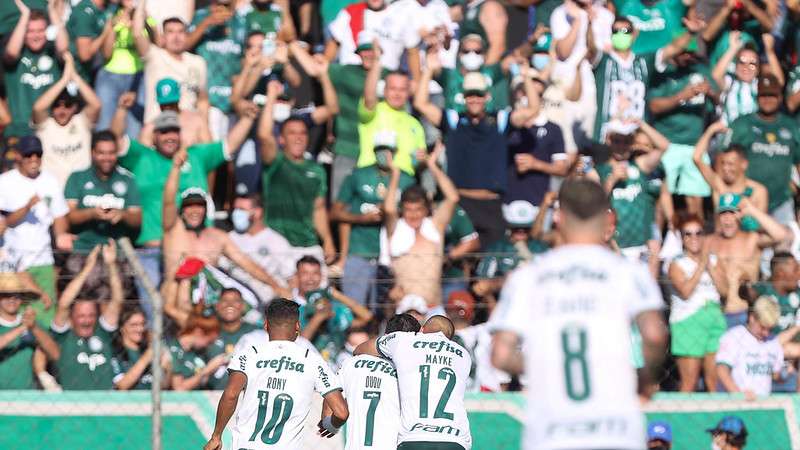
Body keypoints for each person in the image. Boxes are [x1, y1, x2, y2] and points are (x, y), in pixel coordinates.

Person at [491, 178, 668, 450]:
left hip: (551, 435)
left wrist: (547, 366)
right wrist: (645, 381)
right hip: (617, 432)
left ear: (558, 217)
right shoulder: (628, 273)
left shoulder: (528, 277)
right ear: (606, 218)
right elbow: (655, 335)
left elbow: (501, 354)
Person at [160, 148, 290, 321]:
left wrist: (275, 285)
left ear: (206, 210)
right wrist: (176, 168)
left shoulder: (217, 236)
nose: (194, 211)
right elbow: (168, 201)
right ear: (182, 211)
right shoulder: (173, 230)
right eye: (189, 206)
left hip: (207, 307)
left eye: (199, 206)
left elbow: (246, 264)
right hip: (175, 303)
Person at [203, 299, 350, 450]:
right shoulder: (312, 360)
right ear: (297, 327)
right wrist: (331, 426)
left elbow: (231, 395)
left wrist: (216, 436)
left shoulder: (248, 354)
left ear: (266, 325)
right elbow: (341, 413)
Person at [355, 315, 473, 449]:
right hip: (455, 440)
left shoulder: (404, 340)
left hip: (413, 438)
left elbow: (360, 349)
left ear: (422, 330)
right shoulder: (463, 355)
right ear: (449, 339)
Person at [332, 131, 415, 308]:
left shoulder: (406, 180)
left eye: (388, 150)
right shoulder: (358, 175)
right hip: (358, 252)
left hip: (392, 257)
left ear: (396, 151)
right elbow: (335, 212)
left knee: (386, 310)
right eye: (380, 149)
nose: (384, 154)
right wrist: (361, 218)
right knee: (354, 308)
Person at [257, 81, 336, 264]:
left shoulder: (316, 170)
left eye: (302, 133)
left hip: (307, 244)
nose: (298, 138)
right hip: (276, 243)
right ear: (282, 139)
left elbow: (318, 209)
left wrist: (328, 240)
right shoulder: (275, 162)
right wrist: (271, 96)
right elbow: (263, 135)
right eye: (292, 133)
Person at [0, 135, 71, 325]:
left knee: (46, 316)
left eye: (38, 155)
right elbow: (6, 222)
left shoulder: (50, 181)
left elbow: (59, 217)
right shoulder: (5, 182)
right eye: (28, 155)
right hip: (14, 263)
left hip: (43, 259)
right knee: (18, 318)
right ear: (18, 156)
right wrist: (26, 207)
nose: (34, 160)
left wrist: (62, 236)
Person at [384, 143, 460, 311]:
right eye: (408, 210)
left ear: (426, 210)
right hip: (404, 308)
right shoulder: (396, 229)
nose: (413, 215)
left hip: (433, 306)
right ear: (402, 210)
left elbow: (452, 198)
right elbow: (389, 209)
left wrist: (432, 166)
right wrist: (395, 174)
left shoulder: (434, 227)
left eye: (418, 209)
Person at [338, 313, 421, 450]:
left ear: (386, 335)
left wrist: (331, 426)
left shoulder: (351, 363)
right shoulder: (410, 372)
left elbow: (331, 400)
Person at [48, 243, 124, 390]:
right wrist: (88, 268)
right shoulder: (63, 336)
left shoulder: (103, 332)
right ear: (72, 318)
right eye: (81, 316)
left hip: (105, 405)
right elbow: (64, 304)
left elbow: (117, 301)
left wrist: (111, 265)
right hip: (72, 405)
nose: (86, 320)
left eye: (91, 315)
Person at [708, 193, 790, 325]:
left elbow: (781, 235)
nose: (727, 219)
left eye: (732, 213)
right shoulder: (710, 242)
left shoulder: (751, 240)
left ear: (740, 215)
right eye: (723, 213)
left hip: (745, 314)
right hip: (716, 314)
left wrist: (752, 210)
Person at [728, 74, 800, 224]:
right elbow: (725, 160)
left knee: (784, 244)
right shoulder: (742, 124)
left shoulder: (791, 126)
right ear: (757, 97)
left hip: (782, 201)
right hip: (748, 200)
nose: (768, 99)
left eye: (772, 95)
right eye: (764, 95)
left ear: (780, 97)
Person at [668, 214, 727, 392]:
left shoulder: (714, 260)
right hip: (688, 321)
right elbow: (685, 292)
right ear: (682, 237)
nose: (694, 238)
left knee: (714, 382)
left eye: (698, 233)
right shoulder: (676, 264)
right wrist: (702, 265)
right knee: (690, 382)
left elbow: (724, 291)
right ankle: (680, 419)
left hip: (714, 317)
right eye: (688, 234)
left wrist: (709, 265)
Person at [64, 130, 142, 254]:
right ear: (92, 153)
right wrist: (91, 213)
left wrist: (122, 215)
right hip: (83, 250)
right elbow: (68, 217)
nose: (107, 158)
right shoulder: (77, 178)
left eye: (111, 153)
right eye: (101, 153)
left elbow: (137, 219)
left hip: (118, 251)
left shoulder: (128, 180)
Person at [132, 1, 209, 124]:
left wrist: (203, 126)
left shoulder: (198, 62)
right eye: (170, 32)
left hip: (188, 129)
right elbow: (137, 33)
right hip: (158, 126)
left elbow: (202, 100)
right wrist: (141, 3)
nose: (176, 37)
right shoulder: (154, 56)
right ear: (162, 37)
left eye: (180, 32)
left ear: (187, 35)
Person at [32, 52, 101, 188]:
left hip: (80, 190)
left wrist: (73, 75)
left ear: (75, 107)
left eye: (67, 105)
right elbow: (38, 108)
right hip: (52, 189)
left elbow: (96, 105)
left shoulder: (81, 122)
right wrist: (64, 79)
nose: (62, 111)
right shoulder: (45, 125)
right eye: (57, 106)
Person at [356, 43, 425, 177]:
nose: (397, 94)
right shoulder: (374, 111)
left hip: (402, 181)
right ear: (384, 90)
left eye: (402, 89)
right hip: (372, 176)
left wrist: (422, 159)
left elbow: (419, 161)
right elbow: (369, 96)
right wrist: (376, 61)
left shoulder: (415, 124)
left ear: (408, 92)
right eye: (393, 88)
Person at [2, 0, 68, 138]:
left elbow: (64, 48)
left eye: (40, 30)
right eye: (30, 31)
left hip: (49, 129)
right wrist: (25, 16)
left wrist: (51, 9)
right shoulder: (16, 54)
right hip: (19, 129)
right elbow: (11, 53)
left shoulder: (52, 51)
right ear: (23, 33)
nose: (36, 35)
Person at [295, 256, 374, 361]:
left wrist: (335, 294)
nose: (310, 278)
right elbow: (297, 345)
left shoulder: (331, 304)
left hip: (334, 363)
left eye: (315, 273)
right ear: (296, 276)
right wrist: (318, 318)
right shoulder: (290, 306)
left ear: (321, 276)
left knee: (360, 337)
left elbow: (366, 317)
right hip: (305, 363)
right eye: (305, 273)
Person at [222, 193, 296, 303]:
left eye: (241, 209)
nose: (236, 213)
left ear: (257, 212)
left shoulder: (277, 241)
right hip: (236, 300)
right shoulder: (228, 238)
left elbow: (292, 278)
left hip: (266, 302)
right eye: (235, 209)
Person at [693, 121, 768, 217]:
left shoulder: (758, 191)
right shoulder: (719, 186)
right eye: (723, 163)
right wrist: (711, 130)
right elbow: (696, 157)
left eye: (730, 164)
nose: (725, 168)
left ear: (744, 164)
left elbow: (761, 227)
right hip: (721, 232)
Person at [716, 296, 784, 399]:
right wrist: (738, 395)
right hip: (737, 403)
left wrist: (784, 372)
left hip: (764, 403)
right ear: (752, 318)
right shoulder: (733, 336)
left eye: (769, 329)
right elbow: (721, 370)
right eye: (762, 327)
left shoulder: (773, 341)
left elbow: (776, 374)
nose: (766, 333)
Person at [0, 272, 59, 389]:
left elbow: (55, 354)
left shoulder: (34, 325)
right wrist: (22, 328)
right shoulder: (28, 324)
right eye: (6, 295)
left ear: (22, 298)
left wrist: (34, 328)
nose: (12, 299)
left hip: (27, 397)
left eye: (16, 295)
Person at [205, 288, 259, 390]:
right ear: (217, 306)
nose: (230, 304)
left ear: (243, 306)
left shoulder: (256, 333)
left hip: (248, 396)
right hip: (209, 396)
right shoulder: (206, 331)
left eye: (236, 301)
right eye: (225, 300)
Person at [137, 78, 212, 147]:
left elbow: (209, 152)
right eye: (164, 104)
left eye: (171, 103)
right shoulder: (150, 128)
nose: (168, 107)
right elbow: (143, 156)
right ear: (159, 103)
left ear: (178, 100)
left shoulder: (196, 121)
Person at [110, 306, 171, 390]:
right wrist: (147, 356)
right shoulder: (116, 352)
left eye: (142, 324)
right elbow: (121, 385)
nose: (140, 329)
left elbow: (164, 386)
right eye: (134, 325)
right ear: (122, 328)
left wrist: (165, 368)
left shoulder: (146, 350)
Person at [168, 312, 227, 391]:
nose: (209, 346)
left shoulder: (198, 352)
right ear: (198, 332)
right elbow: (179, 388)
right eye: (209, 342)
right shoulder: (173, 350)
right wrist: (207, 370)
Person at [67, 0, 115, 81]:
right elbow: (85, 55)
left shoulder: (108, 7)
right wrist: (104, 34)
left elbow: (107, 54)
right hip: (76, 76)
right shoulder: (84, 11)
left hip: (93, 71)